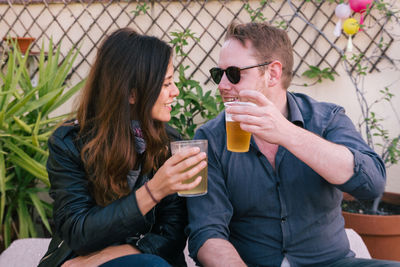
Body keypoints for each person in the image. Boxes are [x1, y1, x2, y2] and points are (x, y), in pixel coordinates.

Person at [186, 22, 400, 267]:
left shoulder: (326, 119)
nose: (222, 85)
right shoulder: (211, 138)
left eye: (234, 73)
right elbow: (207, 233)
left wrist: (287, 133)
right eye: (218, 74)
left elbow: (371, 184)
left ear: (273, 73)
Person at [38, 28, 207, 267]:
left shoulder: (168, 142)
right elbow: (77, 232)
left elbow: (171, 235)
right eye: (167, 83)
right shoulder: (69, 143)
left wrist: (108, 255)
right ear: (131, 94)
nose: (175, 91)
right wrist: (154, 191)